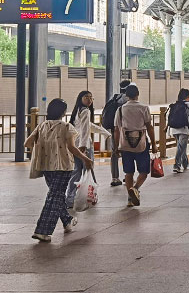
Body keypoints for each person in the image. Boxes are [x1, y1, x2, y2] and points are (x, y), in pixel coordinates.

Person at [25, 99, 93, 242]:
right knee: (54, 197)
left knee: (55, 195)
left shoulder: (42, 125)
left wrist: (44, 144)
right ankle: (43, 231)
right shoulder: (66, 127)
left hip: (46, 167)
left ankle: (67, 221)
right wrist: (85, 159)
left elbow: (28, 143)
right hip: (63, 166)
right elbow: (72, 148)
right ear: (63, 112)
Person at [114, 84, 156, 207]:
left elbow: (116, 130)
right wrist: (154, 144)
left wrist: (116, 146)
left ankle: (129, 199)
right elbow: (149, 127)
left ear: (126, 96)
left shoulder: (120, 109)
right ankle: (136, 188)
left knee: (128, 172)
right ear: (138, 94)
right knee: (144, 171)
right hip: (141, 143)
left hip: (125, 145)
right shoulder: (144, 108)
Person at [66, 91, 110, 207]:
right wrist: (83, 146)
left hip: (75, 144)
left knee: (76, 172)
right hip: (83, 146)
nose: (89, 100)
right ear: (80, 98)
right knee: (88, 169)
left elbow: (88, 126)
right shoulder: (85, 111)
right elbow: (85, 130)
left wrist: (104, 132)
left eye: (91, 97)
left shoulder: (79, 110)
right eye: (86, 97)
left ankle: (69, 199)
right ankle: (92, 195)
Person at [102, 79, 131, 187]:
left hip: (114, 130)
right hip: (124, 130)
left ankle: (115, 177)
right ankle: (128, 176)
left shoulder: (115, 98)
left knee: (114, 153)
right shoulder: (126, 99)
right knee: (127, 152)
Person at [168, 88, 189, 173]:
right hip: (184, 129)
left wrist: (167, 128)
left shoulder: (174, 105)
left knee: (181, 147)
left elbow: (169, 118)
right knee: (181, 148)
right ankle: (176, 165)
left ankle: (185, 164)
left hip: (174, 129)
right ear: (188, 96)